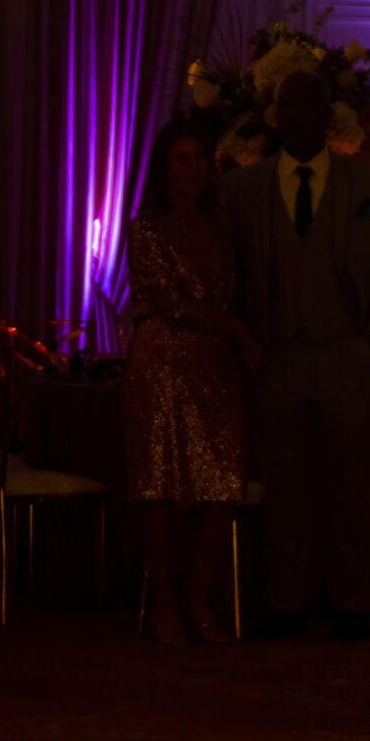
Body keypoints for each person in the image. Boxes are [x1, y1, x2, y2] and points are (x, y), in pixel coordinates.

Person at [226, 69, 370, 642]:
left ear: (327, 116)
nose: (300, 117)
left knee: (352, 484)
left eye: (311, 107)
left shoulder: (366, 184)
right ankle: (287, 602)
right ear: (275, 115)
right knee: (285, 485)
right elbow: (228, 272)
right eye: (290, 107)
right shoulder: (242, 187)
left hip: (345, 354)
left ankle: (352, 600)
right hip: (275, 355)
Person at [126, 118, 258, 644]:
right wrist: (232, 327)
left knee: (222, 482)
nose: (192, 168)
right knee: (157, 484)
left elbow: (228, 291)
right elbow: (166, 298)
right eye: (181, 158)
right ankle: (164, 605)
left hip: (213, 363)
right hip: (161, 359)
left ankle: (199, 601)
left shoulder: (224, 224)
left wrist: (236, 334)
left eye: (199, 158)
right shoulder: (147, 225)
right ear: (164, 166)